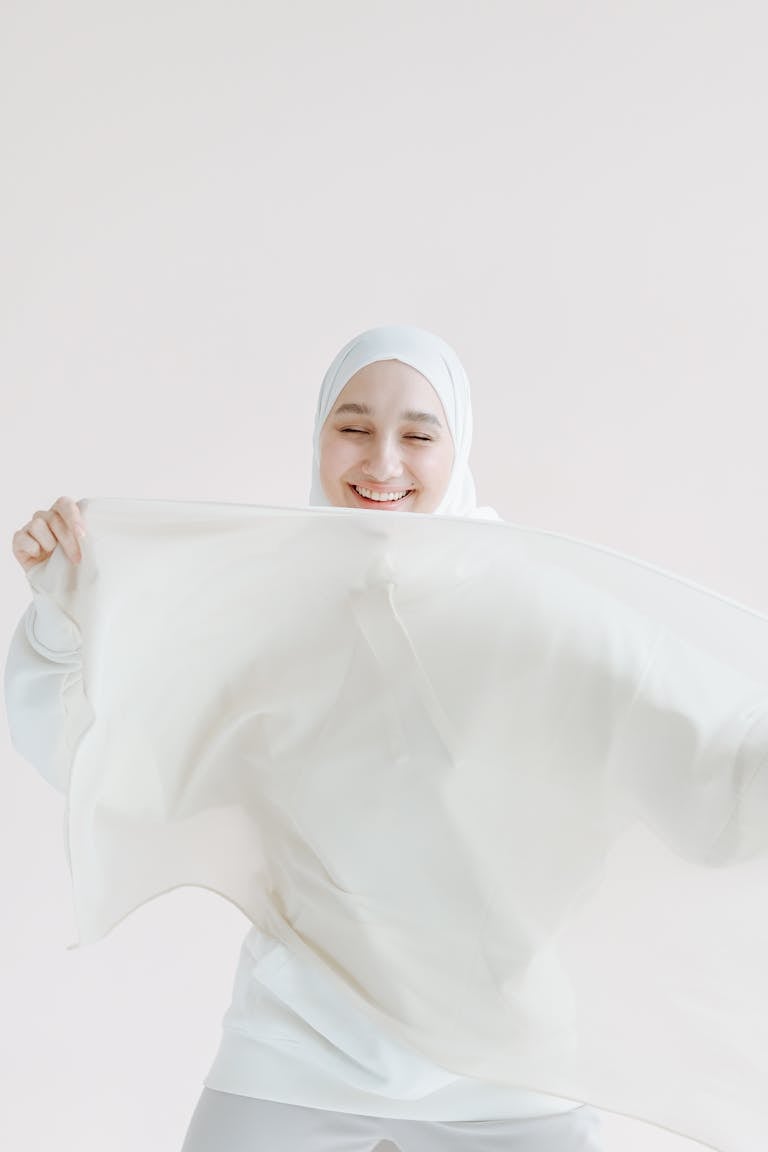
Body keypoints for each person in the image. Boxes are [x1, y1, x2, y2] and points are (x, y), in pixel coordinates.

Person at [6, 325, 604, 1150]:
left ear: (458, 450)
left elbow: (671, 748)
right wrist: (66, 613)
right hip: (297, 1049)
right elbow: (103, 751)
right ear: (319, 437)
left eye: (419, 434)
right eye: (353, 427)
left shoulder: (536, 613)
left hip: (505, 1062)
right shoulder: (261, 612)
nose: (383, 462)